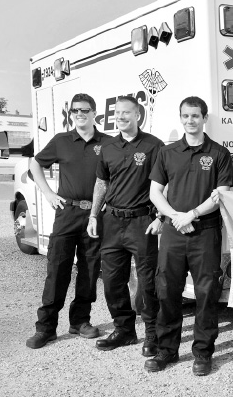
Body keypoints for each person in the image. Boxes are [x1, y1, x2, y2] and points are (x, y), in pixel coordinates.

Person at [144, 97, 233, 375]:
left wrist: (191, 214)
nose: (190, 121)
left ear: (204, 118)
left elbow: (222, 195)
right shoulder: (167, 152)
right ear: (180, 118)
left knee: (207, 294)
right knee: (167, 291)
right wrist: (174, 216)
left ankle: (203, 353)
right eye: (185, 116)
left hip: (205, 232)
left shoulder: (219, 153)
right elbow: (155, 192)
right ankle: (167, 351)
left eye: (195, 116)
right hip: (173, 232)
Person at [25, 93, 106, 349]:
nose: (80, 114)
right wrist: (48, 194)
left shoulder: (108, 143)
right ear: (71, 114)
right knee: (57, 270)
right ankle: (46, 328)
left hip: (95, 215)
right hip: (67, 213)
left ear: (95, 113)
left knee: (90, 270)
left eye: (85, 110)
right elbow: (34, 164)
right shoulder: (61, 141)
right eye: (75, 111)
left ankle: (80, 321)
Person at [86, 96, 165, 355]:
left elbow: (167, 184)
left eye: (126, 113)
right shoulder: (108, 147)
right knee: (111, 280)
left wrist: (161, 217)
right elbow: (101, 184)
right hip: (112, 222)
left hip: (142, 221)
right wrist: (94, 215)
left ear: (138, 115)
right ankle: (124, 330)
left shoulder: (154, 146)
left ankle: (152, 334)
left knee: (147, 281)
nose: (120, 117)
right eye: (117, 113)